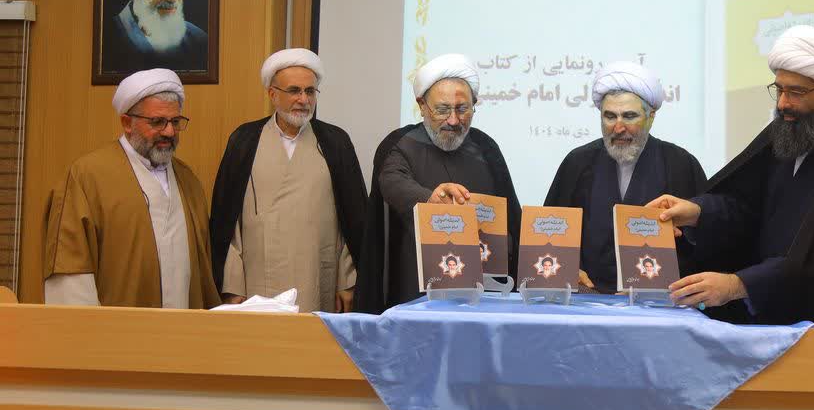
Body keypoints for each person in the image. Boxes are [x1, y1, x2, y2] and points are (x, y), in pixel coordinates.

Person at [650, 26, 814, 327]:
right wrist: (697, 212)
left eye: (796, 92)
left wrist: (739, 285)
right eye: (779, 90)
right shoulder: (786, 133)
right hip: (771, 319)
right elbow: (748, 208)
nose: (782, 103)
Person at [356, 54, 521, 313]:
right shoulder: (401, 143)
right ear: (422, 105)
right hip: (415, 296)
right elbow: (392, 181)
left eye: (463, 109)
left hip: (481, 299)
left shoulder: (486, 148)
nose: (453, 120)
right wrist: (429, 198)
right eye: (442, 110)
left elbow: (511, 217)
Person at [42, 69, 220, 308]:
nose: (169, 131)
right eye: (157, 122)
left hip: (182, 328)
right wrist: (84, 330)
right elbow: (70, 273)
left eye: (175, 122)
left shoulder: (188, 181)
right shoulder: (87, 177)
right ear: (127, 123)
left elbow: (203, 277)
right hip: (116, 329)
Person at [209, 49, 367, 313]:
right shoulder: (244, 140)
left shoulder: (335, 142)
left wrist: (348, 282)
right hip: (257, 279)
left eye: (310, 91)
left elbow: (353, 218)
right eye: (294, 91)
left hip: (317, 275)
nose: (303, 100)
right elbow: (227, 222)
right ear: (273, 94)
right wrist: (232, 285)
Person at [543, 62, 706, 292]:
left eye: (629, 116)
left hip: (659, 303)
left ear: (651, 116)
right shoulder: (577, 163)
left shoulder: (680, 164)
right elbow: (549, 235)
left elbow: (704, 241)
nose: (618, 127)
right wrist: (566, 269)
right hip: (587, 300)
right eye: (610, 117)